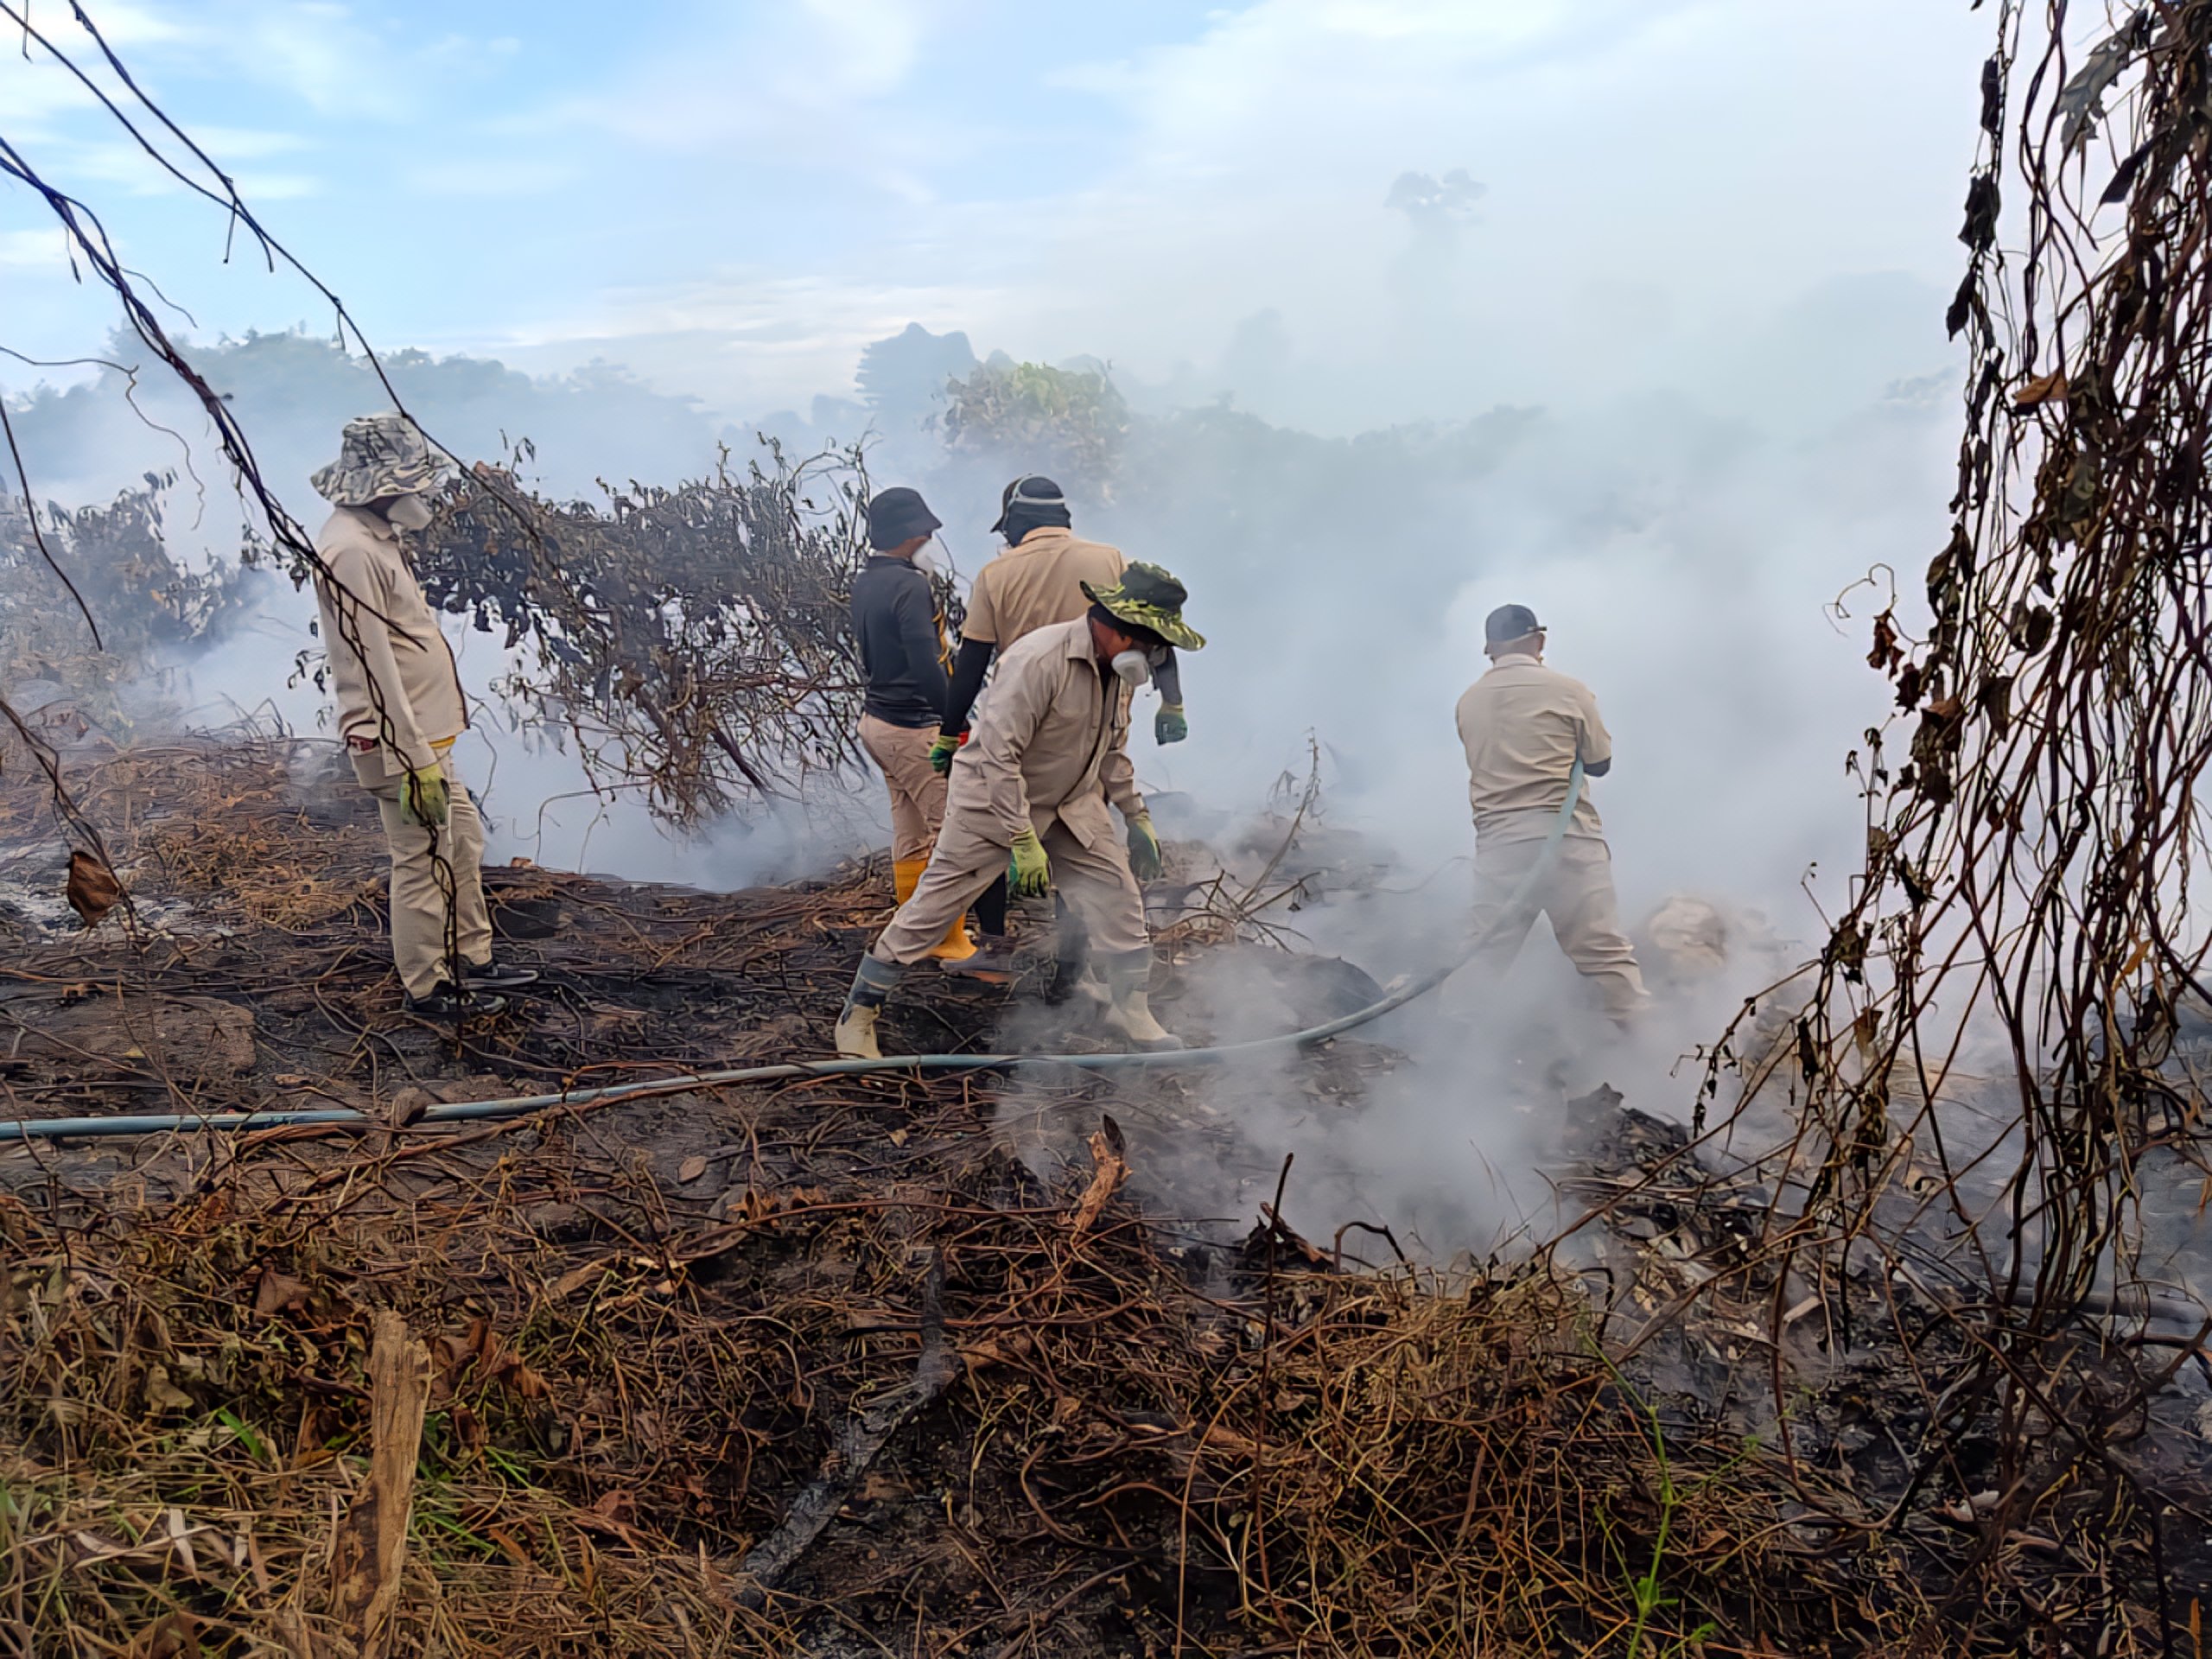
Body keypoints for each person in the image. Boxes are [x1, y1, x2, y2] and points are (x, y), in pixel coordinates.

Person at [835, 563, 1205, 1060]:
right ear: (1115, 627)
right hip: (992, 802)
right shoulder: (1037, 661)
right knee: (932, 911)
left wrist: (1136, 817)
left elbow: (1113, 750)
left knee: (1119, 900)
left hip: (1071, 804)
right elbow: (998, 755)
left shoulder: (1121, 672)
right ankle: (858, 1015)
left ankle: (1130, 1010)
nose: (1156, 656)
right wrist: (1022, 839)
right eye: (1152, 643)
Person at [308, 412, 538, 1018]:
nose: (427, 495)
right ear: (383, 487)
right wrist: (413, 763)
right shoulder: (350, 552)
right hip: (401, 746)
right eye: (416, 484)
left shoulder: (374, 539)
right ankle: (427, 989)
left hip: (425, 741)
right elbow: (373, 670)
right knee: (421, 859)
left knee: (462, 840)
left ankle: (473, 958)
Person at [932, 475, 1189, 981]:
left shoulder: (996, 573)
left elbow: (973, 660)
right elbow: (1153, 631)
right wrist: (1172, 701)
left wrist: (949, 730)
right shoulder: (1111, 559)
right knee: (1079, 827)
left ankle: (996, 948)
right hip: (1091, 724)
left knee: (995, 831)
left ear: (1014, 524)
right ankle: (1072, 958)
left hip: (1019, 723)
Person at [1453, 603, 1649, 1028]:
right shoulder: (1568, 691)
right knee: (1605, 953)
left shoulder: (1468, 702)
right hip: (1568, 840)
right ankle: (1648, 1047)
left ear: (1490, 649)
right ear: (1538, 640)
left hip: (1502, 846)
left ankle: (1450, 1046)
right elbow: (1600, 763)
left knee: (1483, 954)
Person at [849, 486, 974, 962]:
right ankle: (946, 938)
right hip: (912, 729)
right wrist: (952, 722)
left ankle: (916, 933)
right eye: (923, 527)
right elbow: (926, 662)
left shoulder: (868, 581)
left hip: (877, 723)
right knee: (955, 832)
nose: (929, 533)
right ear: (909, 533)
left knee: (911, 830)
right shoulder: (910, 585)